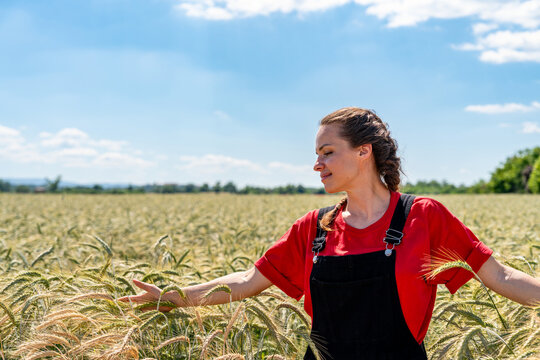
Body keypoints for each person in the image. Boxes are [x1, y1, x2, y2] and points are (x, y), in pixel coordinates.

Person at [119, 107, 540, 359]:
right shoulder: (313, 228)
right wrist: (172, 299)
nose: (317, 164)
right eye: (316, 155)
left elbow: (501, 277)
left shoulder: (423, 217)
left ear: (363, 151)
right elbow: (247, 282)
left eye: (327, 152)